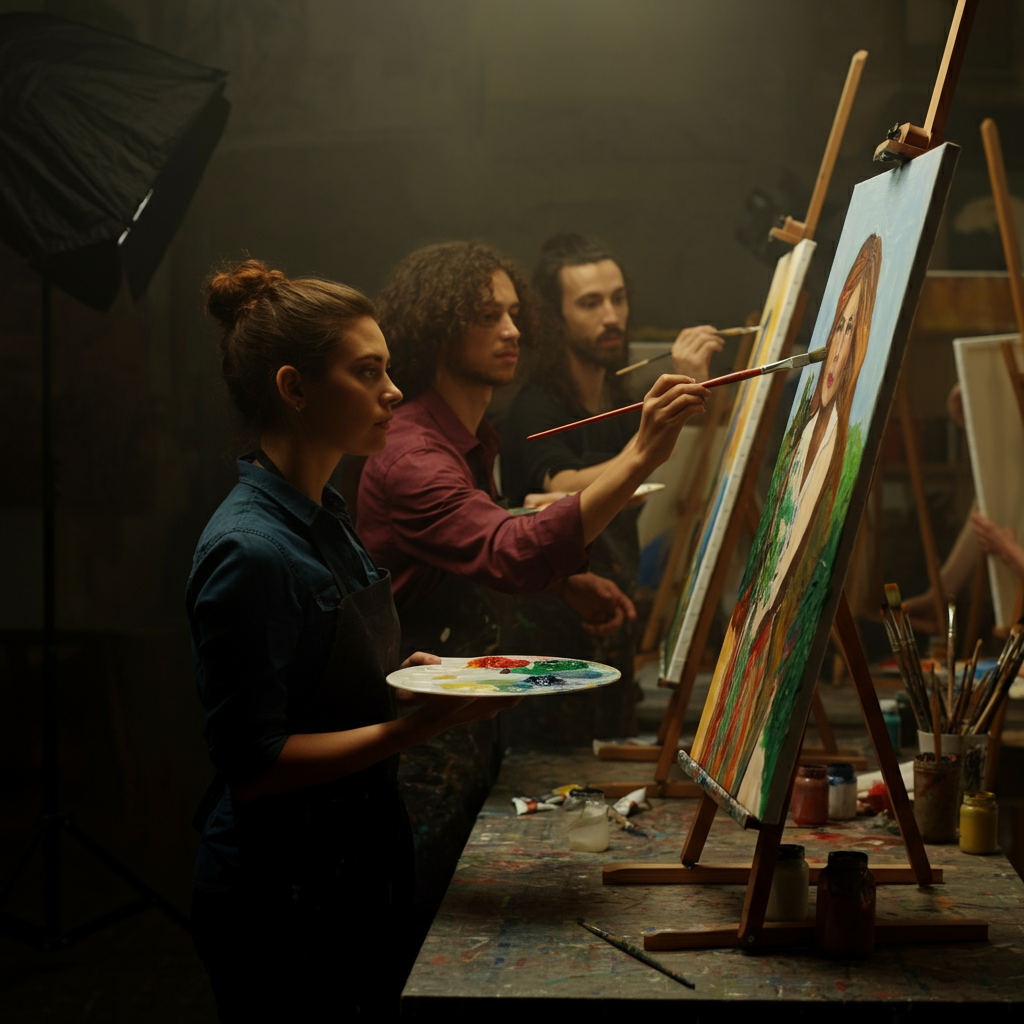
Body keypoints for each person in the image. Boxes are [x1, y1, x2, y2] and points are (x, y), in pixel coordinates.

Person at [186, 259, 523, 1020]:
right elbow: (255, 766)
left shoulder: (326, 513)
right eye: (367, 372)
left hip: (348, 862)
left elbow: (320, 677)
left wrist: (409, 675)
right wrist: (417, 724)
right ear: (294, 388)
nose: (394, 392)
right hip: (282, 889)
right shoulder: (249, 549)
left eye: (390, 370)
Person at [356, 240, 709, 938]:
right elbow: (506, 551)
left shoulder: (467, 439)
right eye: (488, 316)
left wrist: (566, 584)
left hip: (462, 730)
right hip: (416, 744)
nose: (513, 330)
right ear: (439, 325)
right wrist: (642, 452)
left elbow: (476, 551)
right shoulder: (413, 454)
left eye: (514, 313)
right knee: (420, 948)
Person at [498, 232, 726, 744]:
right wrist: (652, 434)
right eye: (590, 303)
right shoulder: (535, 408)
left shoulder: (619, 399)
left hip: (612, 619)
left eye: (618, 298)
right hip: (551, 638)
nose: (611, 316)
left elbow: (640, 464)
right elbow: (559, 487)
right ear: (554, 319)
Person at [694, 233, 882, 816]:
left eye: (854, 331)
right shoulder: (800, 434)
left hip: (778, 652)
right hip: (751, 643)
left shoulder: (843, 448)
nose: (839, 345)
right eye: (837, 328)